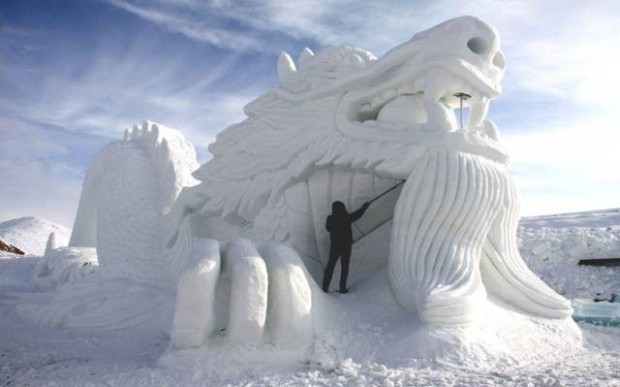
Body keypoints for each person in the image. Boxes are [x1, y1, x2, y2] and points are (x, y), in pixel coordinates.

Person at [322, 200, 371, 293]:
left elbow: (328, 228)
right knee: (345, 267)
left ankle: (325, 288)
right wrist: (364, 207)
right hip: (346, 246)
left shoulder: (330, 218)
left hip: (335, 247)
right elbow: (357, 215)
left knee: (330, 267)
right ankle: (342, 288)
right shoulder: (346, 217)